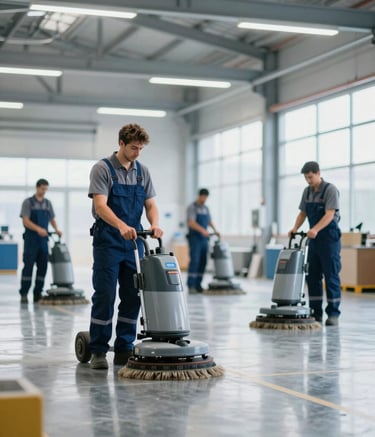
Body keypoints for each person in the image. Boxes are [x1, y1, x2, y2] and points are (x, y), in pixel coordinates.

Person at [88, 123, 163, 370]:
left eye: (141, 148)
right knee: (105, 295)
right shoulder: (103, 169)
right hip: (108, 242)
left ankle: (124, 347)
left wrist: (155, 224)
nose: (137, 153)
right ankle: (98, 349)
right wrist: (121, 225)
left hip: (134, 244)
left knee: (133, 296)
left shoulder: (143, 172)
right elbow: (101, 206)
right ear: (121, 143)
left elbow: (150, 205)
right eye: (133, 148)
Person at [288, 161, 342, 326]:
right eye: (306, 178)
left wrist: (316, 229)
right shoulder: (307, 191)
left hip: (329, 238)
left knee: (331, 276)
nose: (308, 181)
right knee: (312, 277)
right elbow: (303, 213)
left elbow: (330, 215)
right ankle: (315, 312)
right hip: (314, 239)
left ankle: (333, 314)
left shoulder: (330, 190)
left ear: (318, 173)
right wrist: (295, 228)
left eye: (310, 177)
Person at [19, 178, 62, 304]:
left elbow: (52, 219)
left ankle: (37, 294)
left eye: (46, 189)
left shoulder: (48, 203)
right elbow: (25, 221)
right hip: (31, 241)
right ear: (37, 187)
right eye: (42, 189)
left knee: (42, 267)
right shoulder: (28, 203)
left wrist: (57, 229)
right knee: (28, 268)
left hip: (43, 241)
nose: (44, 192)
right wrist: (38, 229)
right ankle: (24, 294)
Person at [186, 188, 219, 293]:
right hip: (195, 238)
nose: (204, 199)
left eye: (206, 197)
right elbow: (191, 222)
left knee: (203, 261)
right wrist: (202, 230)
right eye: (203, 197)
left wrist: (216, 230)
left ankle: (198, 284)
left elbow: (209, 221)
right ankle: (191, 285)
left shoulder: (206, 208)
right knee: (195, 261)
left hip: (204, 239)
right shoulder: (192, 207)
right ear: (199, 196)